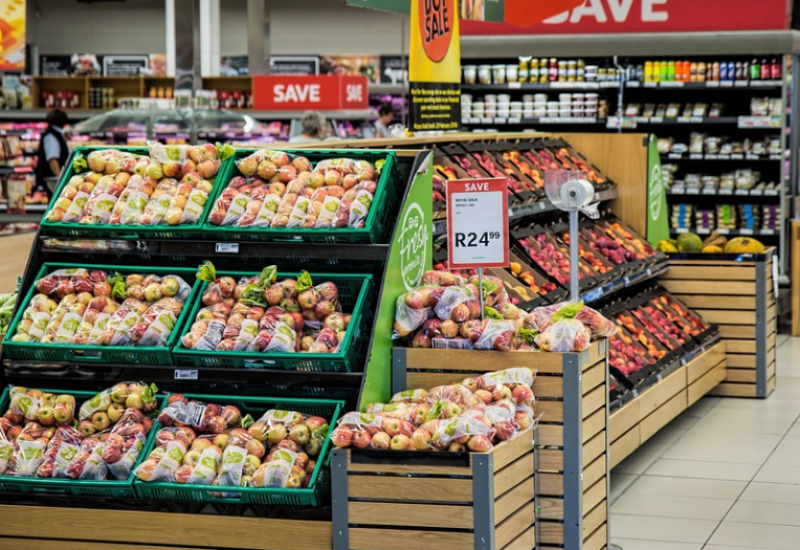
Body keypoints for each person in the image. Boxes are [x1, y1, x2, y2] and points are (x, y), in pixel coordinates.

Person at [36, 109, 70, 197]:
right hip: (52, 182)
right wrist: (60, 180)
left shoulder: (56, 134)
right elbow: (53, 159)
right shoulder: (51, 136)